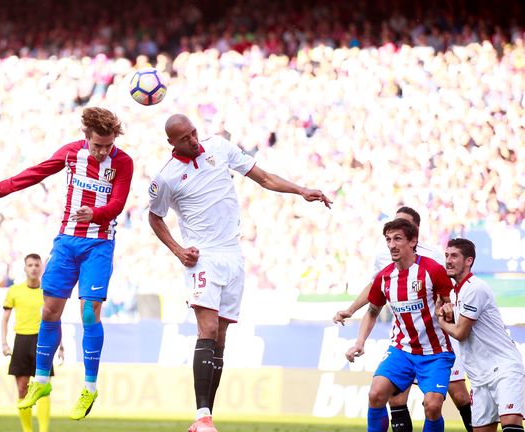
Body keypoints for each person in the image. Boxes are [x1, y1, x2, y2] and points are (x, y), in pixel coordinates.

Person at [148, 114, 332, 432]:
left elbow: (264, 178)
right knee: (206, 330)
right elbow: (155, 218)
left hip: (233, 255)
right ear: (172, 144)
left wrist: (301, 190)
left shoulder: (219, 146)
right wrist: (179, 251)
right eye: (185, 138)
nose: (193, 140)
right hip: (202, 258)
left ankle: (206, 417)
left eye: (194, 133)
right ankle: (201, 415)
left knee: (220, 336)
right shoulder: (165, 178)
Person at [0, 107, 133, 420]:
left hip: (99, 245)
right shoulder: (72, 153)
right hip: (67, 242)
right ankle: (41, 381)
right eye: (97, 145)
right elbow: (35, 173)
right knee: (49, 311)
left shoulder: (123, 162)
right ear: (87, 137)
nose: (102, 152)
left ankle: (89, 386)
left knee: (88, 311)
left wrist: (95, 215)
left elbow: (118, 204)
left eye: (108, 146)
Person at [333, 207, 473, 432]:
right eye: (389, 240)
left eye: (397, 239)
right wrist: (359, 341)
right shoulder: (385, 275)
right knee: (376, 394)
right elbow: (373, 310)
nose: (391, 245)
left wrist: (448, 310)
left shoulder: (433, 269)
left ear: (412, 240)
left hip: (435, 352)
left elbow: (451, 301)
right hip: (402, 350)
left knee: (434, 406)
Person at [437, 238, 525, 432]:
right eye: (446, 256)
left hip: (503, 368)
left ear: (469, 261)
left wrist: (443, 322)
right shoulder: (455, 294)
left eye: (454, 256)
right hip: (479, 377)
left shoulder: (475, 288)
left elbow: (460, 333)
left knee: (510, 423)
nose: (448, 260)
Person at [1, 253, 63, 432]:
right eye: (30, 265)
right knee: (22, 389)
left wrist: (61, 345)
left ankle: (44, 430)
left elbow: (56, 319)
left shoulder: (48, 291)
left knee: (43, 387)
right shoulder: (14, 291)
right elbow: (4, 319)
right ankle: (27, 430)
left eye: (37, 265)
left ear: (41, 268)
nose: (34, 268)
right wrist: (4, 343)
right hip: (21, 340)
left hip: (43, 341)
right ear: (25, 268)